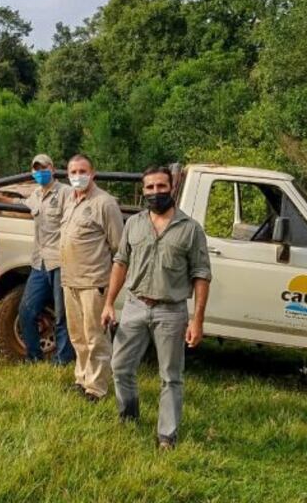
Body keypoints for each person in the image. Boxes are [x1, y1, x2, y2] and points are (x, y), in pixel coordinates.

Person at [101, 166, 212, 450]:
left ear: (172, 187)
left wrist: (197, 320)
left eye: (161, 186)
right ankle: (128, 416)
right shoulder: (134, 224)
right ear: (143, 190)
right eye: (149, 188)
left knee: (171, 376)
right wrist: (109, 303)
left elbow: (201, 275)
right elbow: (120, 263)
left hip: (171, 311)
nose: (155, 192)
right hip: (135, 306)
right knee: (121, 367)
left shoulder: (190, 230)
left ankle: (167, 435)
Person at [60, 154, 123, 401]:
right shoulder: (70, 201)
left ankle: (96, 388)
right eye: (73, 172)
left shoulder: (105, 203)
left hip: (94, 282)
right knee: (78, 336)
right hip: (70, 281)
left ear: (93, 173)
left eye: (82, 171)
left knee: (96, 336)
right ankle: (82, 378)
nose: (78, 176)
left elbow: (119, 246)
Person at [19, 153, 75, 364]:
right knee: (26, 309)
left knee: (62, 315)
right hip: (39, 262)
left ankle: (63, 360)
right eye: (36, 169)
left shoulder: (66, 192)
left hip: (61, 261)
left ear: (52, 169)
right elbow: (20, 199)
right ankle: (33, 356)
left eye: (44, 168)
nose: (40, 172)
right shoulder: (36, 194)